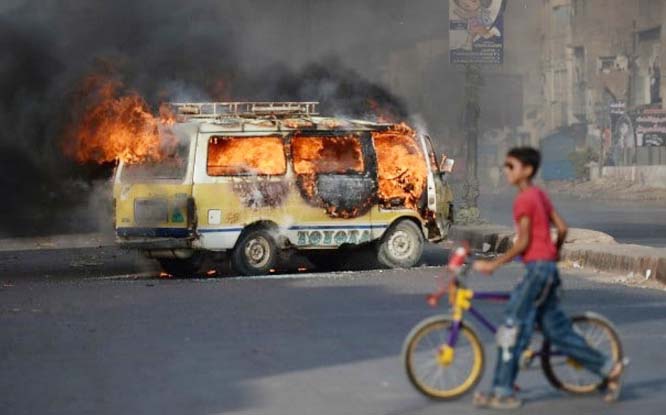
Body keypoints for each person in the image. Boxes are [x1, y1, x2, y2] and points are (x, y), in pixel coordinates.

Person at [471, 147, 625, 410]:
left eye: (511, 166)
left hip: (537, 272)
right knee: (556, 331)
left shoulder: (523, 200)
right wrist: (554, 253)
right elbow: (562, 228)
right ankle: (609, 368)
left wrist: (493, 264)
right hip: (546, 269)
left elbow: (523, 242)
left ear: (527, 170)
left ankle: (503, 391)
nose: (506, 171)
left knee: (512, 329)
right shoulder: (539, 194)